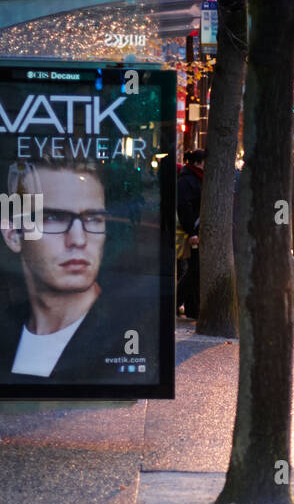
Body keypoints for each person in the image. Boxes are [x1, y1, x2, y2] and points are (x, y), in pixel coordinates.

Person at [0, 157, 156, 384]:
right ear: (13, 234)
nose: (78, 239)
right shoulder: (9, 328)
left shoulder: (131, 327)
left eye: (93, 219)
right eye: (53, 217)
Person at [177, 148, 205, 318]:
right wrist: (191, 231)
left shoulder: (193, 178)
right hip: (192, 230)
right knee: (194, 269)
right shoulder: (189, 180)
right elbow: (185, 207)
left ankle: (191, 308)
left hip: (195, 229)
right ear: (197, 163)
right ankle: (178, 301)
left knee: (194, 269)